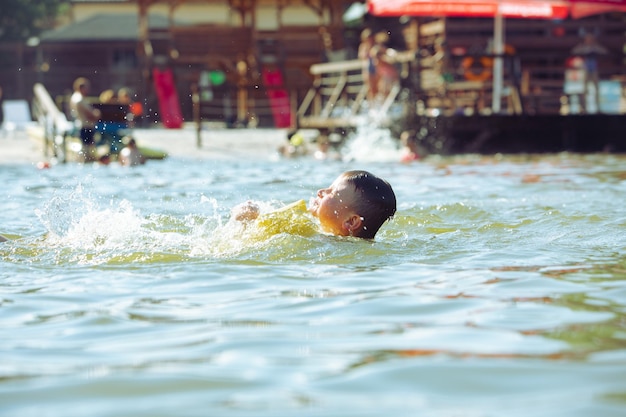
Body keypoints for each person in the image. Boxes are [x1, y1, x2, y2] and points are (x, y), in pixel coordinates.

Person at [231, 170, 396, 239]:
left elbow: (250, 242)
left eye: (331, 192)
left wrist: (246, 220)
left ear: (351, 222)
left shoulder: (320, 240)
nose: (321, 191)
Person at [571, 33, 608, 113]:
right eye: (588, 39)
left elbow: (604, 51)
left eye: (590, 39)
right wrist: (583, 48)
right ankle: (584, 108)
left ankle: (598, 108)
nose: (589, 40)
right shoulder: (583, 47)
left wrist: (595, 47)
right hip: (585, 70)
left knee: (596, 89)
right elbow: (574, 51)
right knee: (585, 89)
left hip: (594, 70)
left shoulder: (595, 47)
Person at [69, 77, 101, 160]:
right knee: (87, 150)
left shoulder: (75, 97)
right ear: (81, 88)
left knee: (87, 149)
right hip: (85, 126)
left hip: (82, 125)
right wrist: (97, 114)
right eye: (86, 88)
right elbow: (90, 114)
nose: (88, 90)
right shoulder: (79, 99)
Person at [358, 28, 377, 102]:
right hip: (367, 69)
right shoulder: (363, 46)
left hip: (375, 68)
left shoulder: (375, 45)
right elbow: (361, 56)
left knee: (376, 86)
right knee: (369, 87)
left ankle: (376, 103)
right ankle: (371, 104)